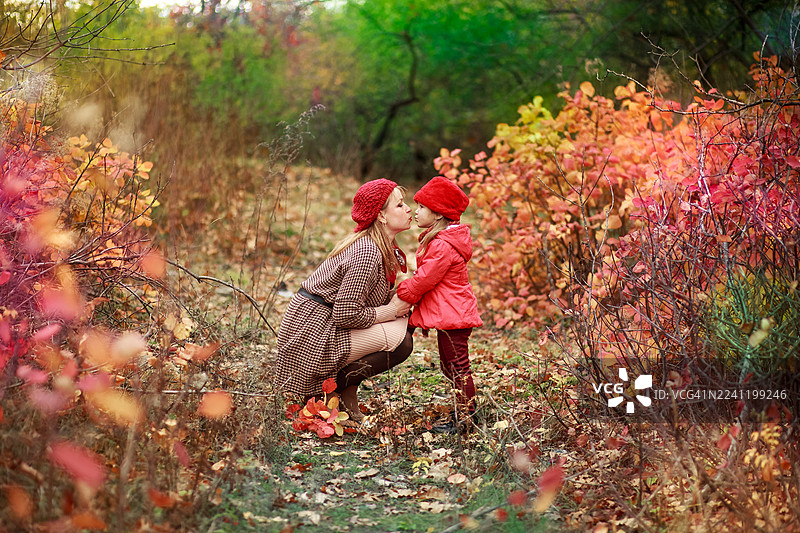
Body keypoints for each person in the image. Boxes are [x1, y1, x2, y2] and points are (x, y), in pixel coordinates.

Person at [275, 178, 414, 422]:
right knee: (401, 343)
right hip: (314, 332)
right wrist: (392, 310)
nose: (409, 209)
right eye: (400, 205)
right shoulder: (368, 252)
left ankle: (345, 395)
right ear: (381, 216)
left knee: (405, 326)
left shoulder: (380, 245)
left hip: (324, 323)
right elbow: (346, 314)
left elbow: (366, 298)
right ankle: (325, 390)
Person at [397, 176, 483, 432]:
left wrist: (403, 291)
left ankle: (467, 419)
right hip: (450, 314)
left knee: (458, 367)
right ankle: (464, 413)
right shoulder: (440, 240)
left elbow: (425, 280)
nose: (416, 211)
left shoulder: (443, 245)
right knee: (450, 367)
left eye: (421, 207)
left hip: (454, 316)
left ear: (437, 214)